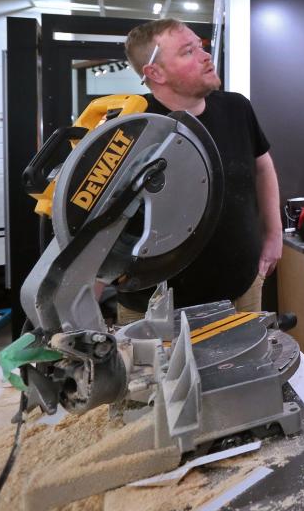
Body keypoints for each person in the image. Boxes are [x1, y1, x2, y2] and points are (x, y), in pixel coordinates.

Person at [114, 18, 282, 321]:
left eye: (200, 46)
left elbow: (263, 166)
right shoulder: (131, 127)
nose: (206, 56)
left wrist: (274, 235)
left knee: (245, 368)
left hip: (241, 288)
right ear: (156, 72)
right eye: (188, 52)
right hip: (154, 306)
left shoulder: (237, 108)